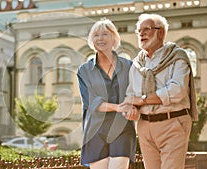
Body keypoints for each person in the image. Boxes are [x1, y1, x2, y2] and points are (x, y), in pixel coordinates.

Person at [121, 13, 198, 169]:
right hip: (144, 126)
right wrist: (130, 109)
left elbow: (177, 91)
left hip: (172, 122)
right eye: (139, 31)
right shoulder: (136, 64)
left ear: (161, 32)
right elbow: (131, 96)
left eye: (146, 29)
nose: (141, 34)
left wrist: (142, 100)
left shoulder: (177, 57)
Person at [77, 18, 136, 169]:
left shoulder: (129, 66)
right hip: (95, 130)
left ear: (114, 38)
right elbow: (91, 102)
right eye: (96, 35)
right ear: (91, 40)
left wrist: (133, 109)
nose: (100, 38)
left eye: (105, 34)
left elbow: (135, 94)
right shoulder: (84, 70)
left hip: (122, 128)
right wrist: (118, 107)